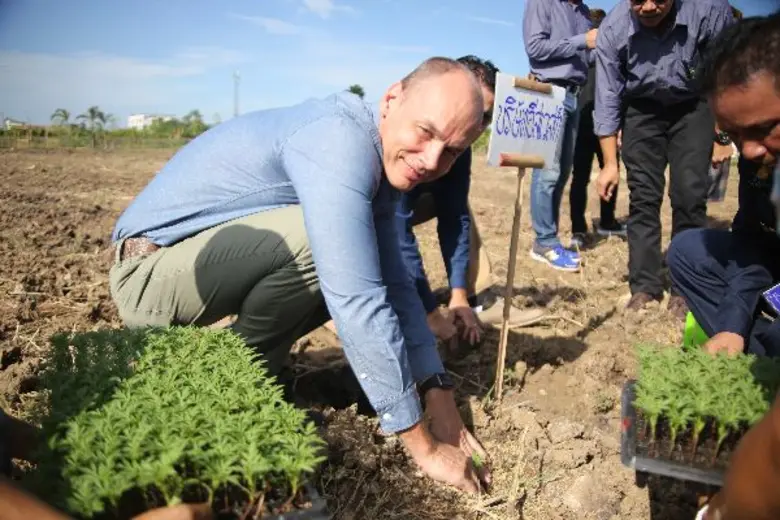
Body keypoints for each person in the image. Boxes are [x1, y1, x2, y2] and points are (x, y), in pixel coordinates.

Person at [108, 57, 491, 493]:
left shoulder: (378, 162)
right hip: (149, 275)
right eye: (425, 132)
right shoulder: (339, 139)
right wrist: (424, 447)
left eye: (452, 151)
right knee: (331, 248)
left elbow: (397, 285)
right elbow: (357, 298)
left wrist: (438, 392)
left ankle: (243, 376)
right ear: (391, 99)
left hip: (193, 269)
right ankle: (224, 385)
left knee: (355, 255)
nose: (432, 160)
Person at [672, 11, 780, 519]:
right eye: (735, 136)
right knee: (690, 251)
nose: (750, 151)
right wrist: (733, 327)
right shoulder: (761, 165)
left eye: (764, 129)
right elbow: (752, 244)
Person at [594, 0, 736, 315]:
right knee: (643, 198)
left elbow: (725, 75)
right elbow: (607, 98)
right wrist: (609, 164)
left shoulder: (710, 12)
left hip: (693, 106)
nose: (647, 7)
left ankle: (686, 288)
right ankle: (644, 287)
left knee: (689, 195)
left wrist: (722, 135)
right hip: (641, 109)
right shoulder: (613, 29)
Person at [396, 55, 545, 347]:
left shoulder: (460, 150)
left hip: (401, 211)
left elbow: (454, 218)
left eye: (486, 117)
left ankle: (477, 297)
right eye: (475, 111)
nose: (477, 126)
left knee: (460, 207)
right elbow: (396, 229)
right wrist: (430, 312)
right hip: (361, 217)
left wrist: (459, 294)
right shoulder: (408, 137)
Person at [522, 0, 597, 272]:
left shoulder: (584, 12)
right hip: (549, 91)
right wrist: (582, 41)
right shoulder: (543, 2)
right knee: (548, 171)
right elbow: (535, 48)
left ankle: (549, 240)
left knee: (563, 171)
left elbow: (584, 58)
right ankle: (544, 242)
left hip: (573, 95)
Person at [569, 7, 627, 249]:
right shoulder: (609, 53)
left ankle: (580, 229)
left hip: (584, 121)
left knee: (581, 178)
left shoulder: (578, 53)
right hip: (602, 124)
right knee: (608, 171)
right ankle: (603, 222)